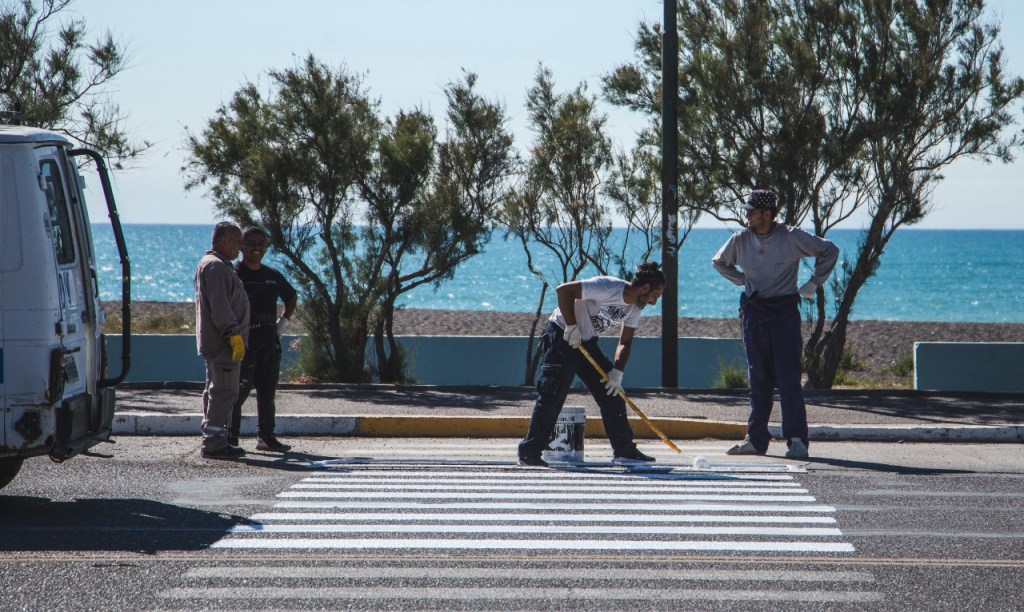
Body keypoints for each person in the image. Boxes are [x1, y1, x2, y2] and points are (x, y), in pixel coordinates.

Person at [712, 190, 839, 459]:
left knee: (788, 379)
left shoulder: (791, 236)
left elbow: (829, 250)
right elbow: (719, 262)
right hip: (754, 312)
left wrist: (814, 283)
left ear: (767, 215)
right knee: (758, 380)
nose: (746, 215)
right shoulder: (740, 239)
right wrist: (741, 280)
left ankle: (796, 441)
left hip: (784, 313)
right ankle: (756, 440)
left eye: (752, 211)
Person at [518, 261, 667, 467]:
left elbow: (625, 342)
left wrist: (617, 373)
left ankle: (624, 451)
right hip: (562, 334)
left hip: (586, 342)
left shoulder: (634, 308)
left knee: (612, 394)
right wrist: (571, 327)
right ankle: (529, 453)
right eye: (655, 295)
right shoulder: (608, 286)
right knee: (553, 394)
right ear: (645, 288)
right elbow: (564, 291)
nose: (654, 301)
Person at [228, 227, 298, 453]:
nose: (256, 247)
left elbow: (291, 295)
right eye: (251, 243)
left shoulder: (271, 276)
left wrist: (283, 323)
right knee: (238, 393)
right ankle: (230, 438)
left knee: (267, 393)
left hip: (269, 344)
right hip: (243, 345)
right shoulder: (234, 274)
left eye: (261, 243)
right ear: (241, 246)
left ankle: (266, 438)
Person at [194, 222, 250, 459]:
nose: (241, 246)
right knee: (223, 390)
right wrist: (233, 334)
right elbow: (220, 306)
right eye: (237, 241)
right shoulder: (216, 266)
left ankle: (214, 437)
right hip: (223, 343)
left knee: (215, 390)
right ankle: (214, 442)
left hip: (218, 342)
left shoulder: (216, 265)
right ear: (224, 240)